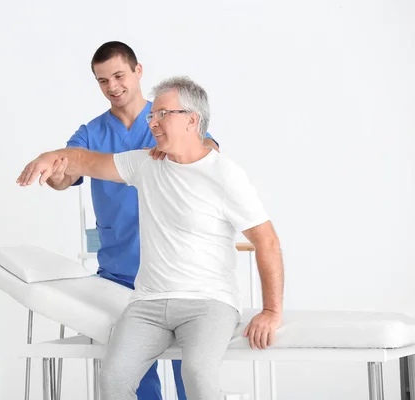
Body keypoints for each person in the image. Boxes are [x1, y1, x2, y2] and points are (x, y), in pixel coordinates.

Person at [17, 76, 284, 400]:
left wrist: (271, 311)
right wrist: (48, 157)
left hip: (209, 302)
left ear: (191, 120)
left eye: (162, 115)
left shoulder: (225, 174)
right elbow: (85, 161)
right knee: (114, 378)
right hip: (149, 304)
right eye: (151, 116)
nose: (153, 123)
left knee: (197, 373)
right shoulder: (144, 164)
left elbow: (266, 241)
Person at [44, 41, 219, 400]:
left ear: (138, 71)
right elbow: (64, 175)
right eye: (102, 80)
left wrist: (169, 149)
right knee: (131, 372)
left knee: (190, 368)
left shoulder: (165, 119)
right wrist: (53, 170)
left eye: (119, 75)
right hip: (119, 271)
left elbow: (209, 151)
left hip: (175, 270)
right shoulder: (91, 133)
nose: (112, 86)